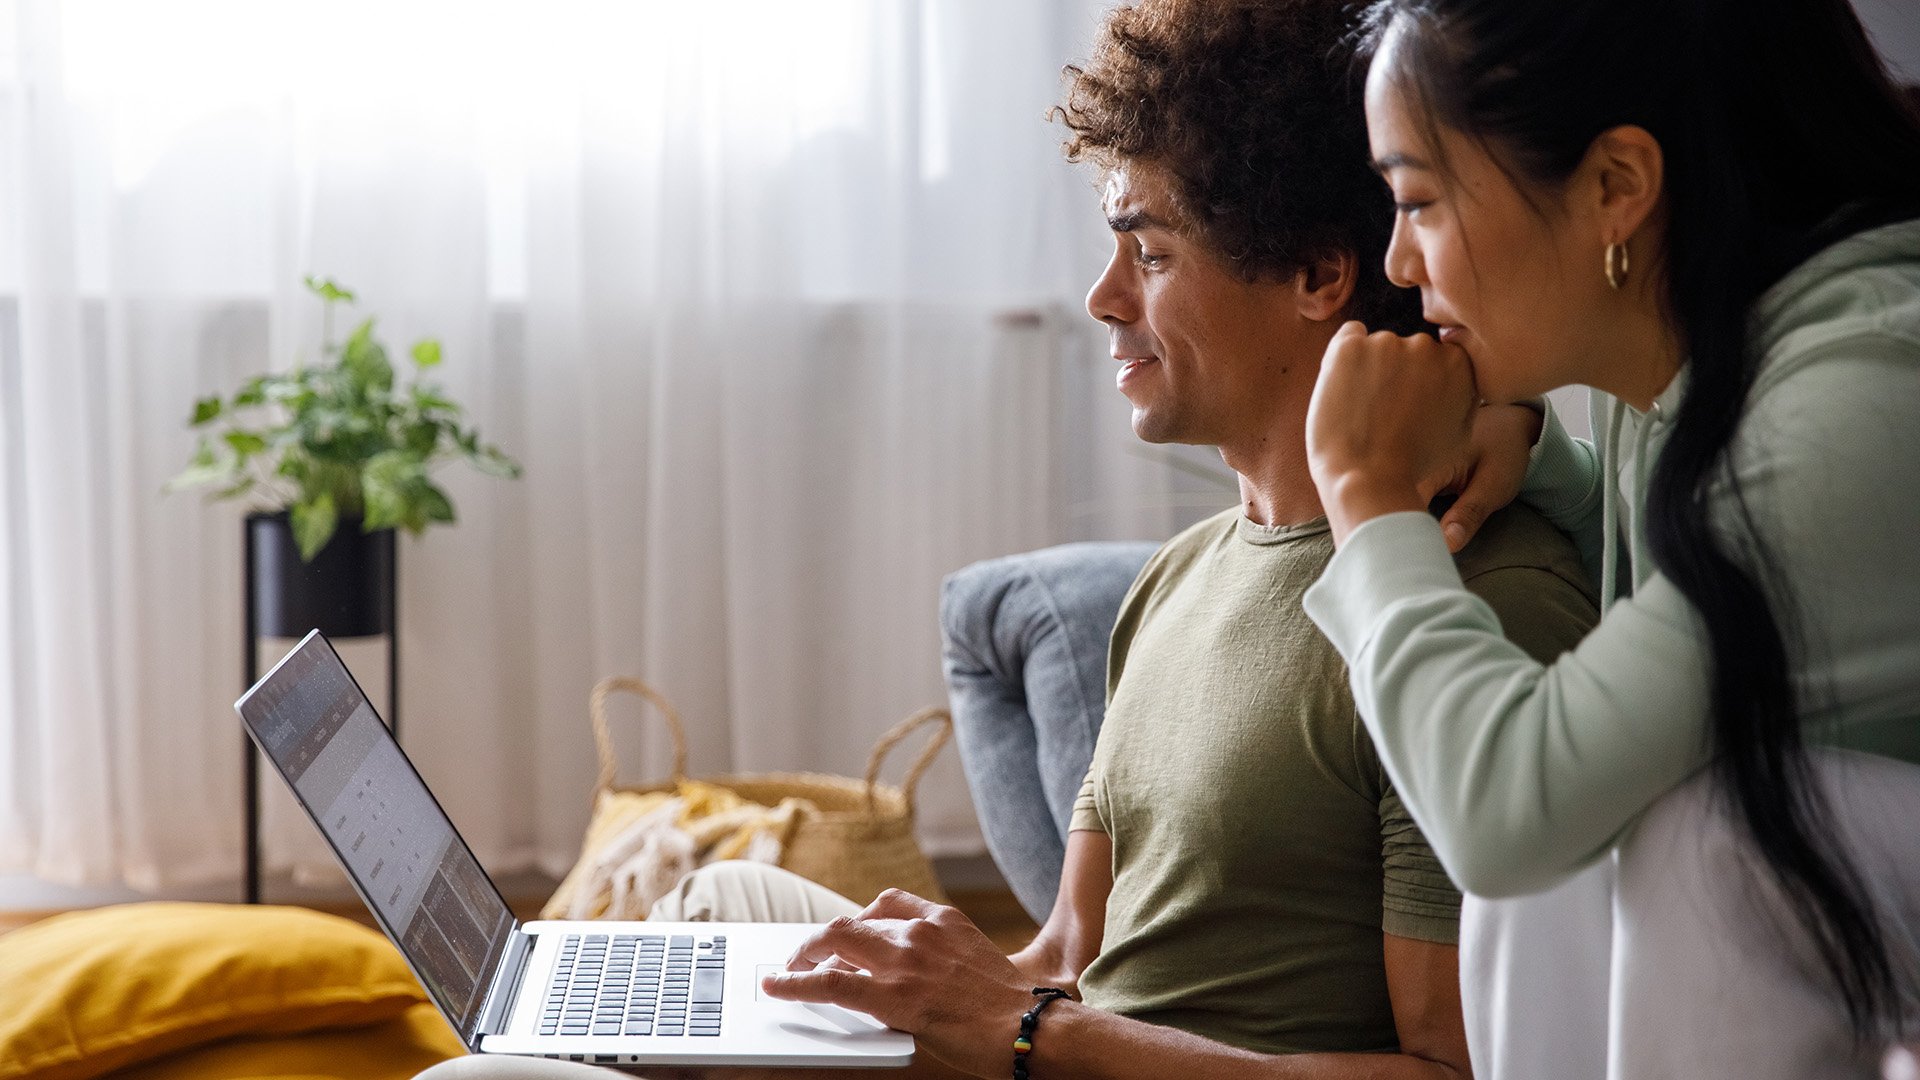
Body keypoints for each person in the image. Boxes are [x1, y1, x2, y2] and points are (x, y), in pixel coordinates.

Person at [413, 2, 1597, 1078]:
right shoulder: (1182, 577)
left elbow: (1457, 1071)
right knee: (715, 903)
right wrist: (954, 983)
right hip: (1047, 1057)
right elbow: (1068, 948)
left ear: (1318, 273)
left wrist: (1032, 1032)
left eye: (1150, 251)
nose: (1102, 298)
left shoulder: (1467, 610)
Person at [1297, 0, 1920, 1075]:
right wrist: (1549, 467)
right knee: (1584, 859)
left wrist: (1368, 492)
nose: (1399, 262)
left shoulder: (1867, 402)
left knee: (1698, 841)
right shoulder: (1697, 357)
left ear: (1615, 188)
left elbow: (1507, 811)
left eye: (1419, 199)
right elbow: (1723, 584)